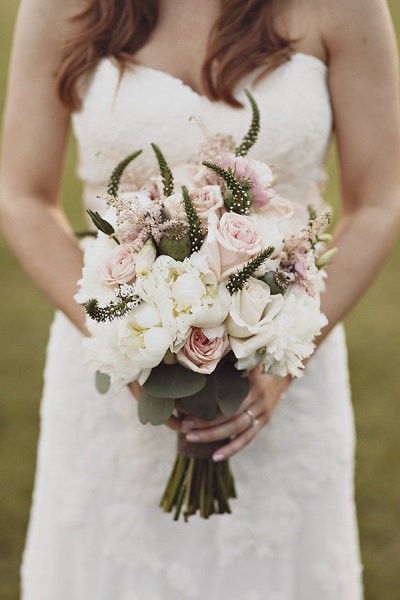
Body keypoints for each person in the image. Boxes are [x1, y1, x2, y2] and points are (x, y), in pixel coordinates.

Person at [1, 0, 399, 598]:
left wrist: (282, 361)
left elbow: (379, 201)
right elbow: (22, 193)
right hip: (109, 369)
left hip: (283, 365)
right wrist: (123, 337)